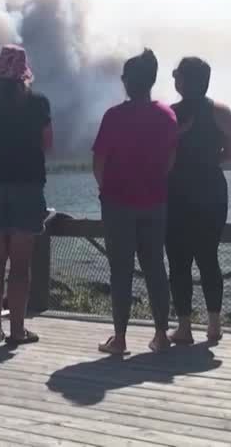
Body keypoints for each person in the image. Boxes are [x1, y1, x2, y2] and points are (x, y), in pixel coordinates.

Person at [92, 48, 180, 355]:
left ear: (128, 81)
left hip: (118, 204)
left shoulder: (114, 116)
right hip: (155, 203)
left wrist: (107, 190)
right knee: (156, 267)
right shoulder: (167, 116)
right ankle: (160, 334)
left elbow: (99, 161)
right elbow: (170, 159)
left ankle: (120, 337)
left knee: (121, 271)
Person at [0, 44, 52, 347]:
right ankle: (17, 330)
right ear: (23, 74)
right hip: (27, 184)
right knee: (20, 262)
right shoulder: (37, 103)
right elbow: (48, 142)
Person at [164, 56, 231, 344]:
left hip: (177, 194)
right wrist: (208, 161)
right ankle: (214, 325)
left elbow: (161, 156)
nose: (174, 79)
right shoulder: (222, 113)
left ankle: (184, 327)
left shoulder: (169, 115)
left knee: (178, 261)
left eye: (176, 75)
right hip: (212, 191)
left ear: (184, 80)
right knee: (209, 258)